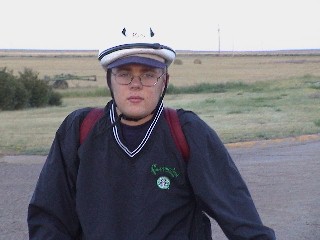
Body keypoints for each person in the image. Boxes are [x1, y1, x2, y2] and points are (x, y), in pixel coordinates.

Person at [28, 27, 276, 239]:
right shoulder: (79, 130)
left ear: (164, 82)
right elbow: (50, 217)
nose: (135, 84)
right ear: (109, 80)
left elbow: (239, 216)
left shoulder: (187, 132)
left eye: (148, 75)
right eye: (124, 74)